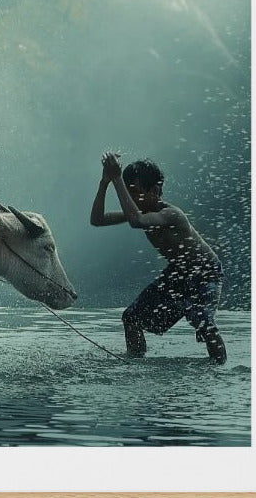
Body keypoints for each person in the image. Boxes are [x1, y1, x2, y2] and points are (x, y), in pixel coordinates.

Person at [90, 153, 227, 364]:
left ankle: (219, 368)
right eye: (129, 193)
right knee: (131, 318)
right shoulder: (138, 211)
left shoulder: (172, 214)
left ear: (155, 191)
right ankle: (136, 362)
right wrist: (105, 181)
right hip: (178, 272)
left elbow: (138, 221)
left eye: (135, 192)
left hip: (205, 271)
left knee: (202, 322)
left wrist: (117, 178)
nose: (132, 199)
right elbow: (97, 220)